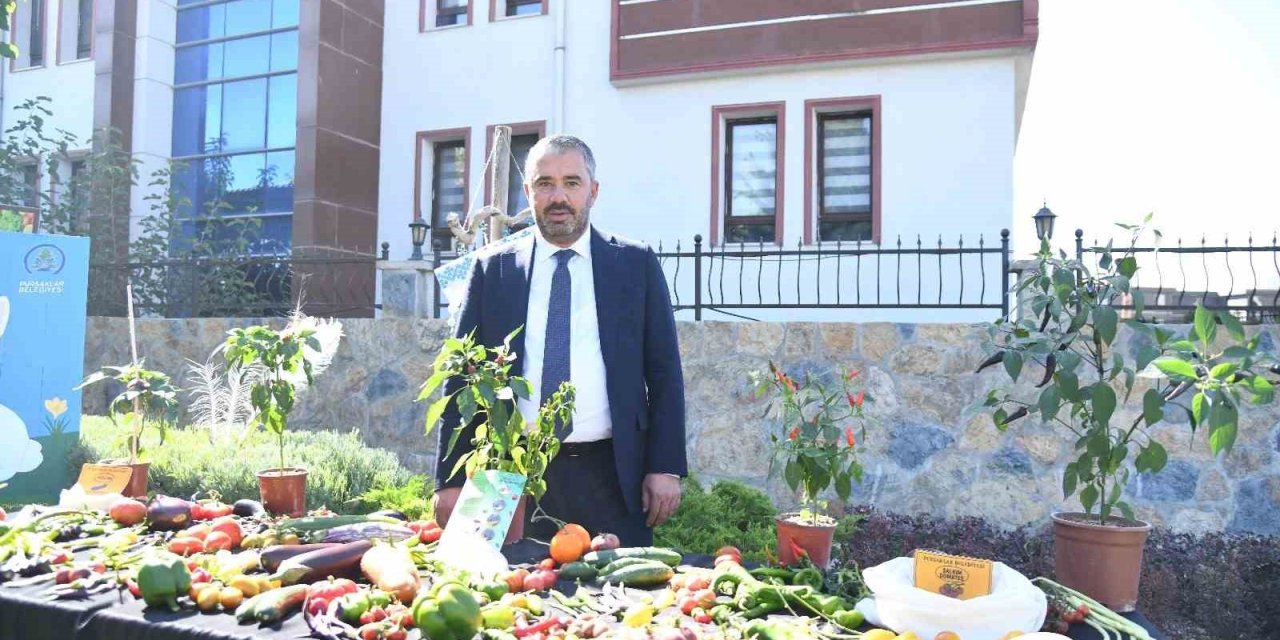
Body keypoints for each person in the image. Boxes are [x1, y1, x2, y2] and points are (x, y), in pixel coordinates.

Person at [431, 135, 686, 546]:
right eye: (545, 183)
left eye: (572, 182)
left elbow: (664, 372)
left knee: (617, 586)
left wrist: (666, 466)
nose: (558, 197)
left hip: (613, 474)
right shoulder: (493, 271)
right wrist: (450, 478)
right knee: (514, 584)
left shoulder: (634, 264)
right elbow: (462, 377)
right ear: (528, 191)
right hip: (512, 475)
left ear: (593, 191)